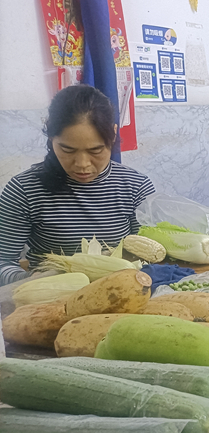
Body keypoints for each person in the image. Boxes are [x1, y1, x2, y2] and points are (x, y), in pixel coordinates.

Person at [0, 85, 155, 286]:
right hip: (50, 300)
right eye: (67, 149)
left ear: (113, 135)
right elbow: (3, 261)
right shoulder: (24, 189)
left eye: (96, 150)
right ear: (51, 137)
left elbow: (151, 254)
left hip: (122, 294)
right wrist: (33, 280)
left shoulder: (136, 186)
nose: (82, 164)